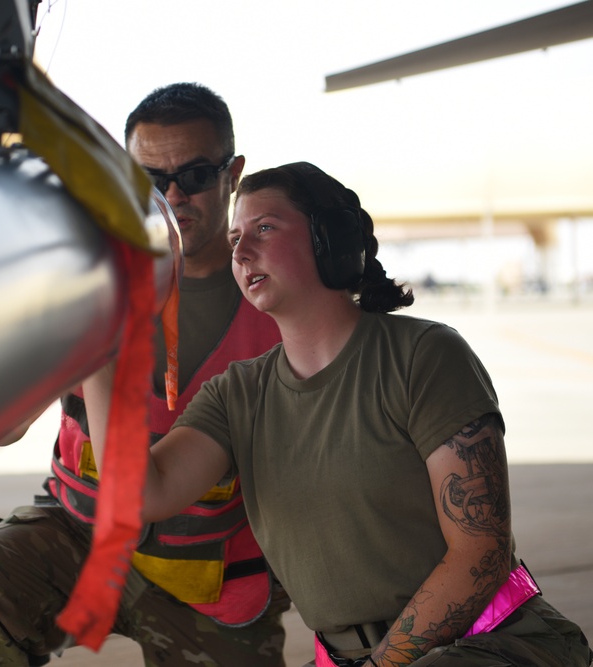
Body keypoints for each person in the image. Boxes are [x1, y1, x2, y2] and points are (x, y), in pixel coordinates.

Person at [83, 161, 593, 667]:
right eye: (236, 237)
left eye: (264, 228)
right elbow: (139, 494)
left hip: (495, 643)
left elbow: (479, 553)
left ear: (329, 238)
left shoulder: (424, 356)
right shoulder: (238, 394)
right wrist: (96, 345)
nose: (240, 250)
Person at [0, 83, 290, 666]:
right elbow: (5, 430)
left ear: (232, 174)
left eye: (196, 174)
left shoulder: (278, 304)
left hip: (208, 579)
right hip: (78, 535)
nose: (174, 194)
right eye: (151, 180)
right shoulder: (84, 282)